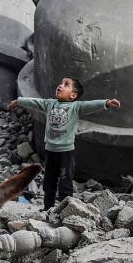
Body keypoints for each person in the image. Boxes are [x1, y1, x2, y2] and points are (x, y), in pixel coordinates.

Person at [8, 77, 121, 211]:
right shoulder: (50, 104)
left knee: (65, 183)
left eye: (65, 84)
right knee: (49, 182)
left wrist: (106, 103)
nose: (60, 85)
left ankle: (65, 210)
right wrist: (19, 101)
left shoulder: (75, 107)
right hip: (50, 151)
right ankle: (47, 208)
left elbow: (90, 105)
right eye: (60, 83)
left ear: (73, 95)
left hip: (66, 153)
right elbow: (35, 102)